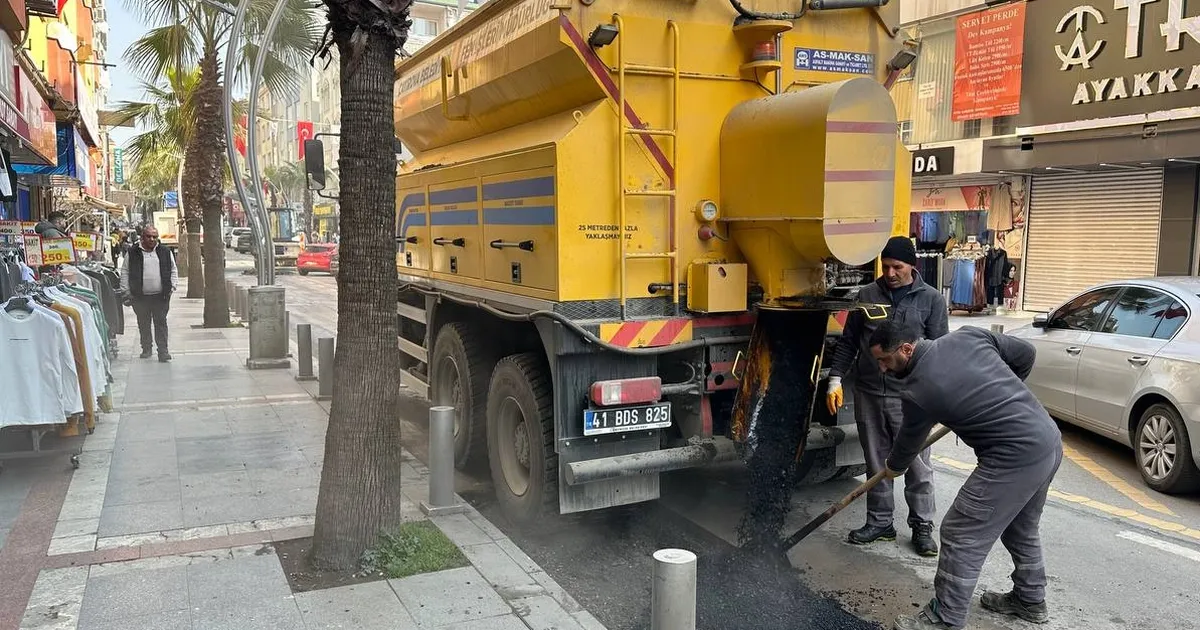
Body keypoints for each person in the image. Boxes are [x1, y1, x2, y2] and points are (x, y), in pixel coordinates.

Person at [869, 320, 1063, 630]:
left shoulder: (918, 389)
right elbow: (1025, 353)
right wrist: (1002, 391)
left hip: (1012, 456)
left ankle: (944, 619)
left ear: (906, 348)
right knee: (1020, 527)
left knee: (961, 533)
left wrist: (894, 468)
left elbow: (909, 441)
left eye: (885, 360)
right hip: (1047, 440)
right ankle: (1030, 600)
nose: (882, 369)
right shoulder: (968, 335)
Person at [826, 235, 948, 555]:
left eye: (897, 267)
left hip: (910, 396)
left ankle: (922, 526)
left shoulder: (931, 299)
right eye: (885, 266)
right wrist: (835, 379)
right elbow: (850, 341)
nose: (890, 273)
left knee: (917, 464)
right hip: (869, 392)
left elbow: (940, 349)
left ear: (912, 266)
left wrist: (936, 394)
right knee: (876, 463)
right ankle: (880, 523)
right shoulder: (867, 294)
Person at [119, 227, 178, 362]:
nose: (152, 239)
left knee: (161, 322)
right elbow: (125, 272)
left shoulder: (165, 251)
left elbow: (173, 269)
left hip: (161, 296)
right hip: (140, 296)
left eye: (154, 237)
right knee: (143, 323)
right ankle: (146, 348)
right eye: (148, 236)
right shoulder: (133, 252)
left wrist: (172, 286)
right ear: (142, 237)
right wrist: (126, 291)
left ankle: (163, 351)